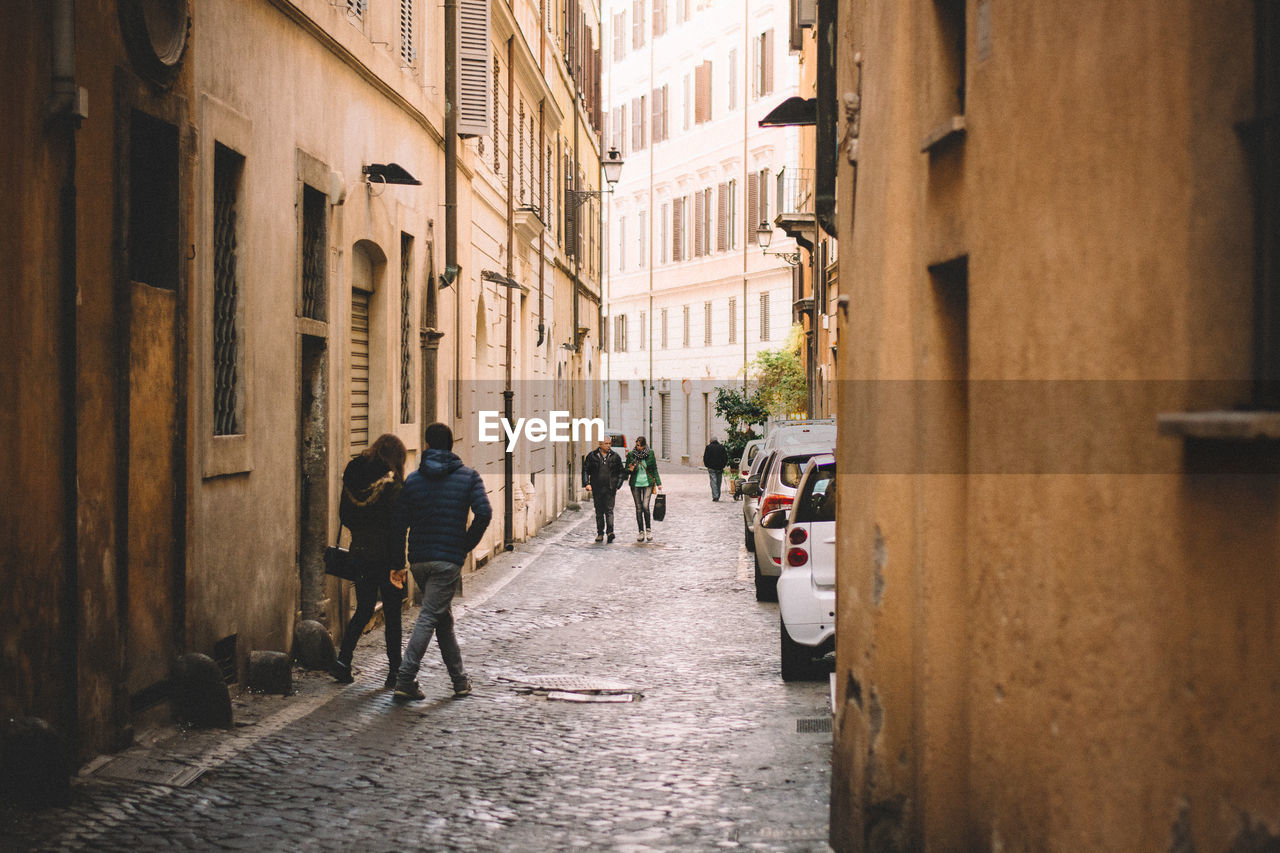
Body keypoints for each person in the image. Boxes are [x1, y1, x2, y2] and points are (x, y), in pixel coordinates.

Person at [392, 422, 492, 701]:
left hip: (420, 561)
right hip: (448, 560)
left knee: (442, 619)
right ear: (451, 445)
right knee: (429, 616)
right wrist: (465, 545)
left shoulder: (412, 480)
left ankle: (459, 681)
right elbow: (484, 513)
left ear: (426, 445)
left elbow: (399, 523)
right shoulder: (468, 477)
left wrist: (399, 561)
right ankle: (405, 678)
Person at [332, 434, 409, 688]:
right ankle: (395, 672)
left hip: (361, 552)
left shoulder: (355, 475)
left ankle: (343, 660)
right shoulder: (393, 483)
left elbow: (345, 514)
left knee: (364, 608)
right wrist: (399, 564)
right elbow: (398, 527)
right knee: (393, 613)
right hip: (387, 556)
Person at [583, 435, 625, 543]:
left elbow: (621, 472)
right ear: (600, 444)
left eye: (610, 443)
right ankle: (600, 533)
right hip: (597, 488)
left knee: (609, 511)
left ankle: (610, 532)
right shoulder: (592, 456)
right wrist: (586, 483)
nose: (608, 446)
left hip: (610, 488)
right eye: (606, 443)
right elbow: (585, 470)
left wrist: (618, 485)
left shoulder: (615, 456)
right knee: (599, 512)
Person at [625, 436, 662, 542]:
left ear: (645, 445)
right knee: (638, 507)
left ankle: (648, 530)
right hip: (635, 484)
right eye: (637, 446)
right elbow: (627, 469)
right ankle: (641, 532)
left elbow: (654, 468)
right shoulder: (632, 454)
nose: (639, 448)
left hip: (648, 483)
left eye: (641, 446)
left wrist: (659, 483)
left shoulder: (650, 453)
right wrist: (630, 468)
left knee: (645, 506)